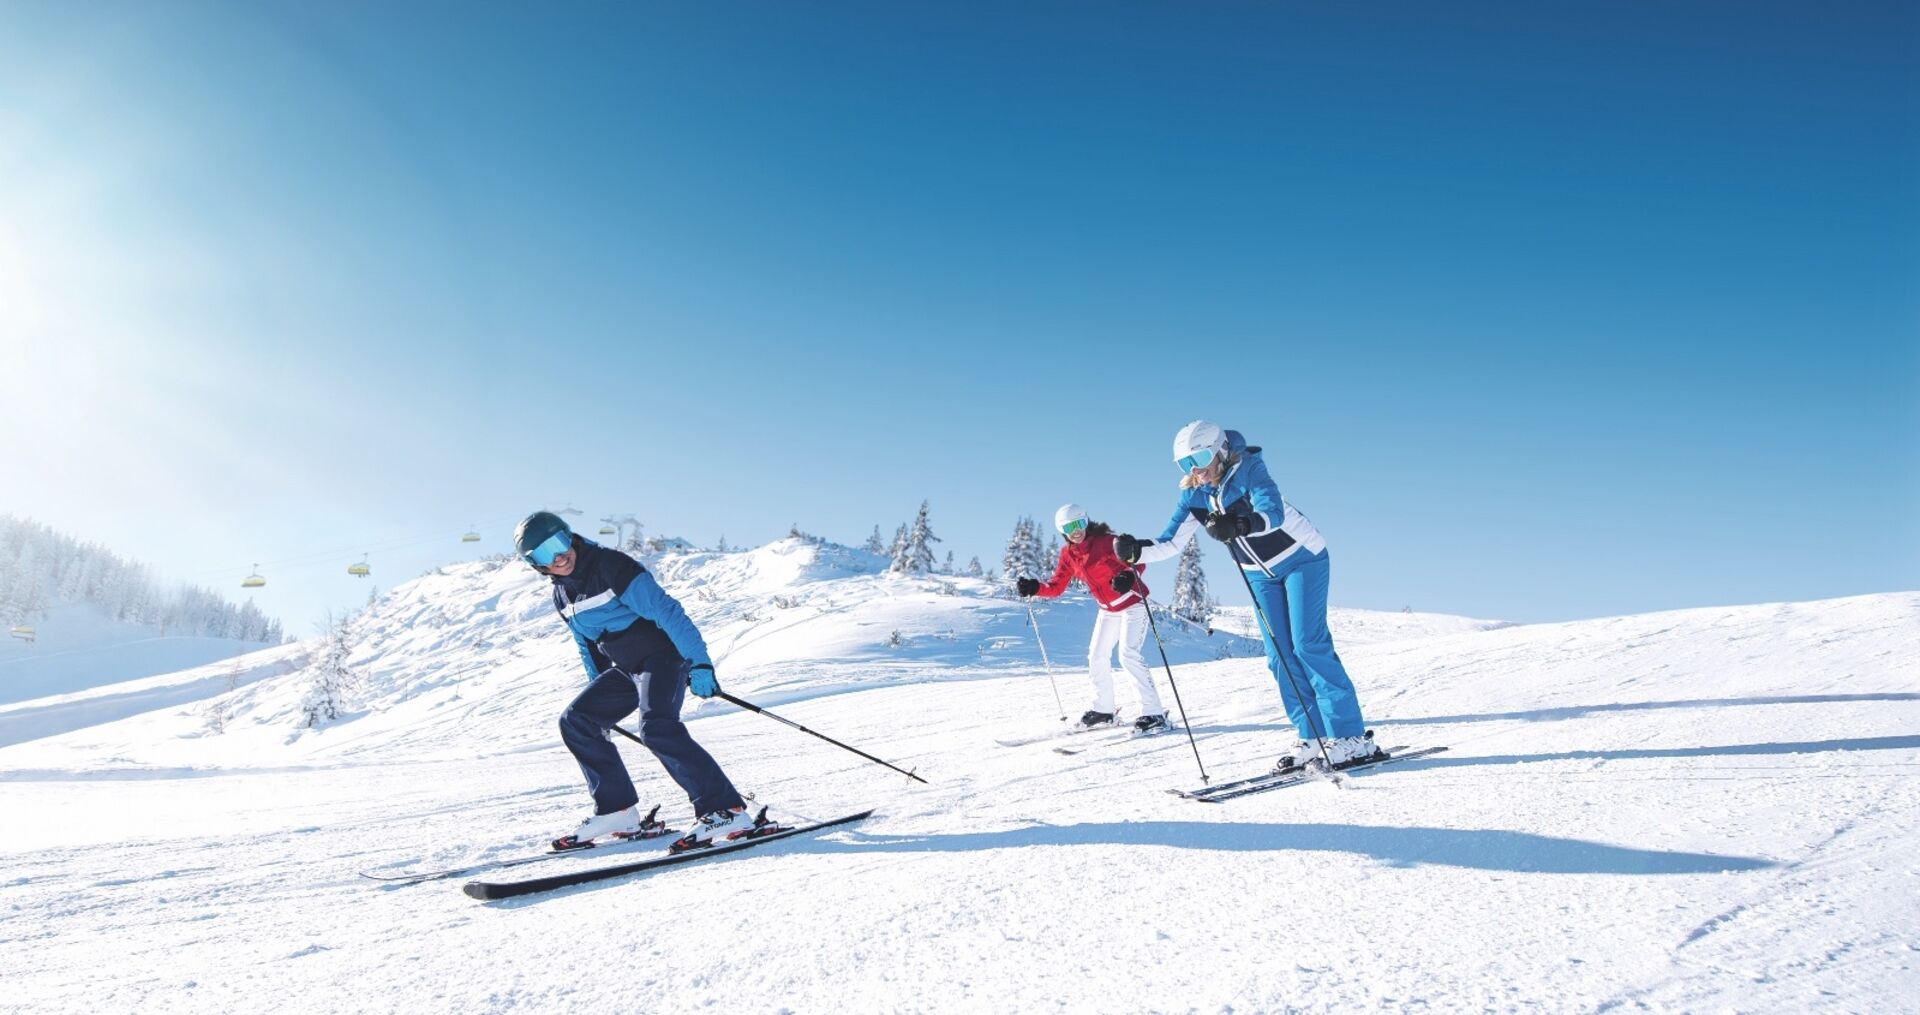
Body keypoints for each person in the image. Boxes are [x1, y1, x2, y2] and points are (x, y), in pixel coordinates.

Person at [1115, 421, 1378, 770]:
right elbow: (1172, 542)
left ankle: (1350, 738)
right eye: (1185, 464)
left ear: (1221, 450)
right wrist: (1136, 551)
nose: (1196, 469)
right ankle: (1311, 735)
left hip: (1302, 559)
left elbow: (1272, 511)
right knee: (1278, 656)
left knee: (1307, 645)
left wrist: (1240, 525)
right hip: (1260, 576)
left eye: (1202, 457)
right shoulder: (1195, 496)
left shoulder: (1249, 469)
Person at [514, 510, 758, 852]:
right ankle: (618, 810)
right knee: (577, 720)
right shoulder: (562, 597)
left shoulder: (610, 565)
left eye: (559, 542)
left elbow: (667, 611)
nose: (558, 555)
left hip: (663, 656)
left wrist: (699, 663)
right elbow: (587, 645)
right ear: (535, 564)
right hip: (627, 667)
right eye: (543, 553)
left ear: (570, 535)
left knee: (657, 727)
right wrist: (599, 697)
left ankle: (726, 809)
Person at [1017, 503, 1168, 734]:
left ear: (1086, 522)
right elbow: (1056, 586)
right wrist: (1035, 587)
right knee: (1097, 655)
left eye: (1079, 524)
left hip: (1132, 603)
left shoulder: (1108, 541)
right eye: (1069, 527)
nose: (1076, 531)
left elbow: (1138, 559)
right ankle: (1104, 710)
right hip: (1107, 610)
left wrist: (1127, 576)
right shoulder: (1068, 554)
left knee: (1128, 654)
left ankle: (1153, 712)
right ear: (1062, 531)